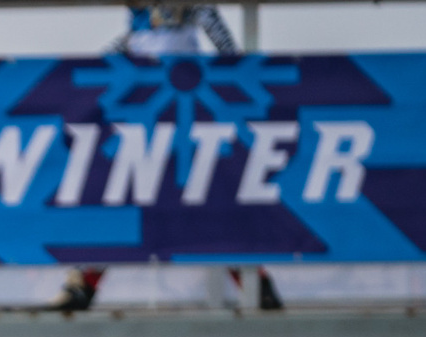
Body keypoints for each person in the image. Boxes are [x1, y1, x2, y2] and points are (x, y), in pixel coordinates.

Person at [49, 6, 281, 314]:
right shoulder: (142, 19)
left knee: (209, 198)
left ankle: (256, 283)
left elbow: (227, 49)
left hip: (185, 114)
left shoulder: (193, 10)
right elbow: (129, 45)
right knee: (123, 196)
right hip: (144, 115)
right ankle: (82, 283)